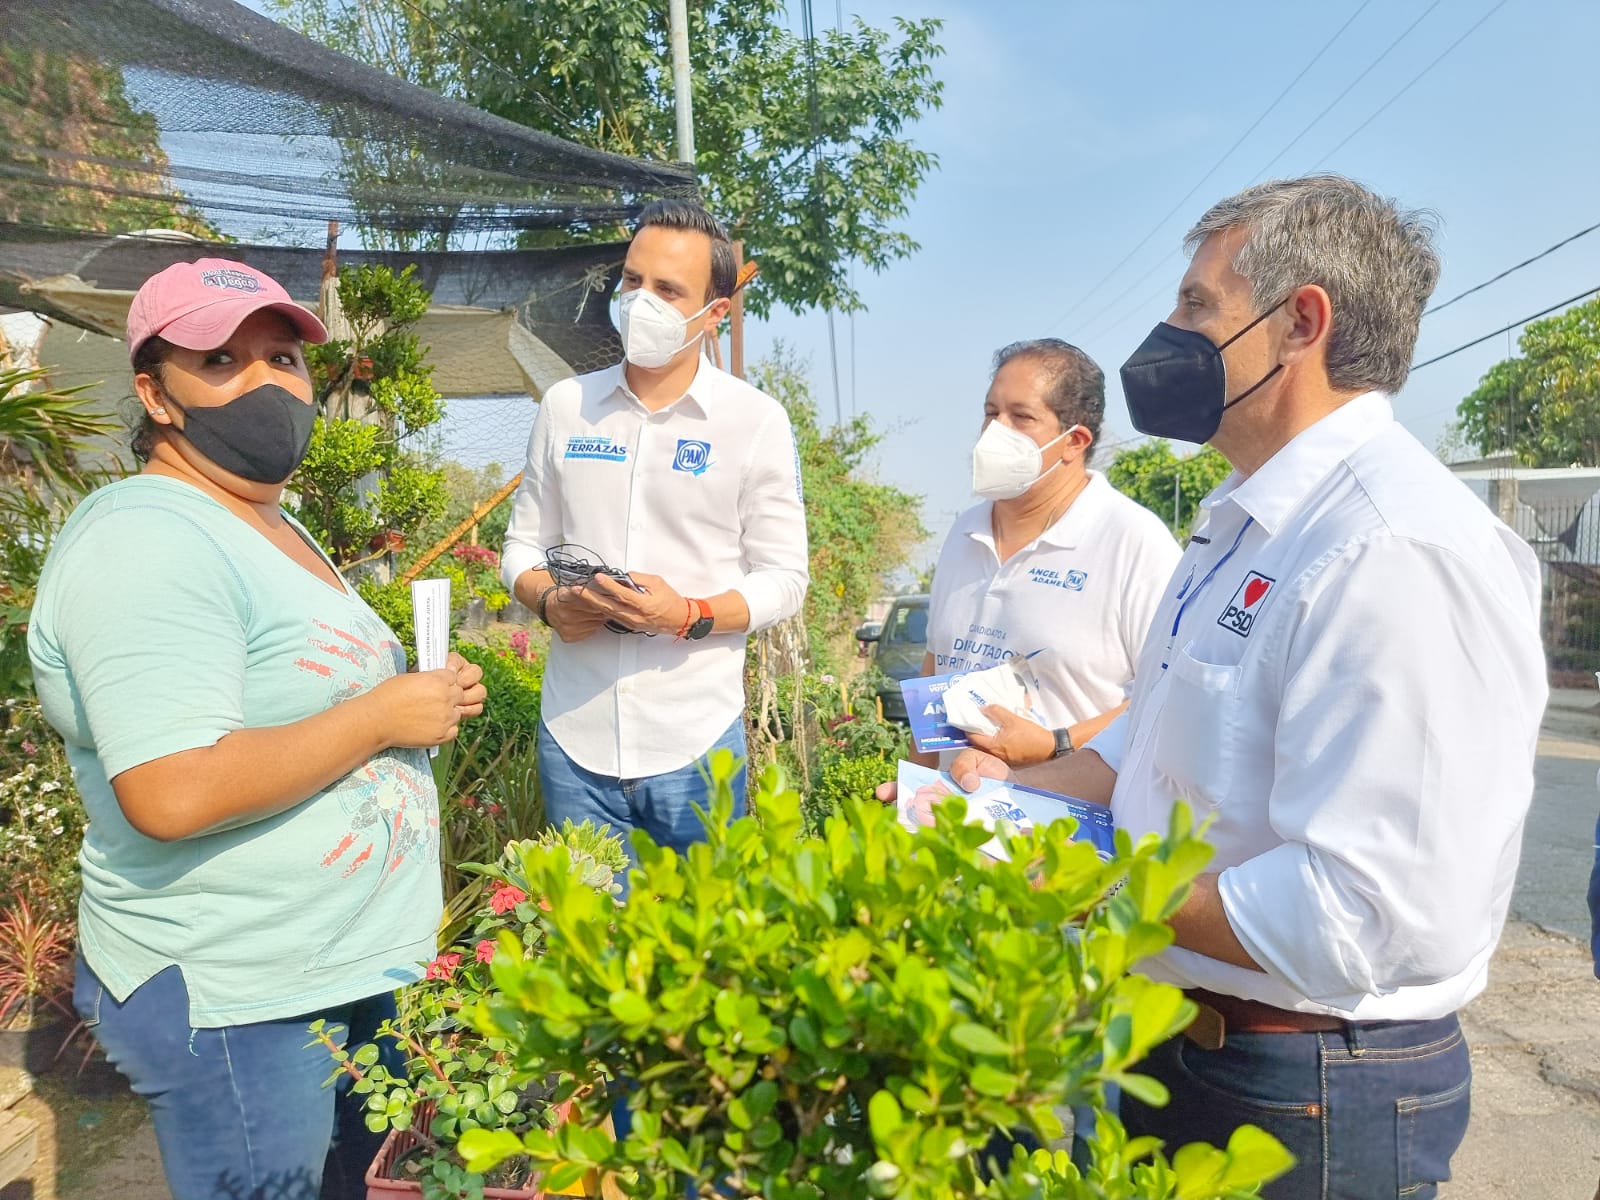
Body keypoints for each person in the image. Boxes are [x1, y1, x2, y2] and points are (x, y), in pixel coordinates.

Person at [933, 176, 1547, 1198]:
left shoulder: (1394, 548)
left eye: (1194, 307)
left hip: (1306, 1089)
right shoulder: (1235, 526)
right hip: (1188, 1047)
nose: (1164, 334)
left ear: (1299, 321)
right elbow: (1142, 749)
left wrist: (1082, 882)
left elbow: (1370, 910)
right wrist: (984, 807)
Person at [27, 258, 488, 1200]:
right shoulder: (147, 537)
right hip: (238, 991)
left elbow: (296, 699)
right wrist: (376, 716)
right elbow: (173, 788)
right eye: (223, 359)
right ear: (155, 393)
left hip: (327, 970)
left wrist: (417, 702)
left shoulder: (267, 521)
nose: (267, 382)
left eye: (283, 357)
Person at [501, 200, 808, 859]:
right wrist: (550, 602)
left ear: (714, 313)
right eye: (634, 282)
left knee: (703, 952)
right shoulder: (567, 407)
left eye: (669, 290)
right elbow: (522, 547)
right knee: (583, 951)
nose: (642, 302)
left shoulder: (752, 422)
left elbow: (785, 579)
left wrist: (690, 613)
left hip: (694, 740)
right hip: (573, 735)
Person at [917, 339, 1179, 770]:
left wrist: (1056, 743)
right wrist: (910, 800)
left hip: (1063, 831)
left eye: (1021, 417)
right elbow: (935, 673)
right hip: (950, 826)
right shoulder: (964, 531)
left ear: (1073, 441)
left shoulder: (1131, 541)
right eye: (990, 413)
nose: (995, 431)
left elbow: (1167, 698)